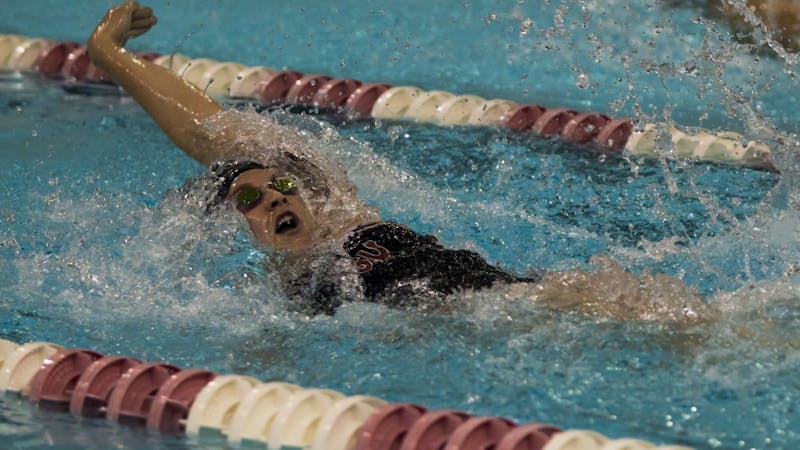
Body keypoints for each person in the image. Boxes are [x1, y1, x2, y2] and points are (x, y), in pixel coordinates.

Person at [87, 1, 715, 322]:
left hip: (499, 302)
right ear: (237, 226)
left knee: (643, 313)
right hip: (450, 333)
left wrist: (111, 57)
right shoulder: (274, 293)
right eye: (250, 201)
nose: (275, 198)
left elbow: (211, 130)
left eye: (278, 185)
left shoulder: (339, 216)